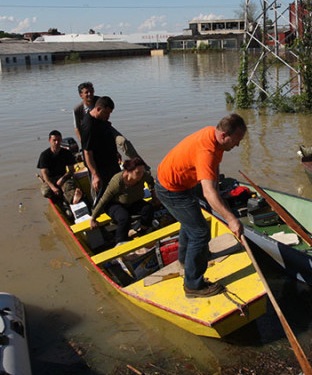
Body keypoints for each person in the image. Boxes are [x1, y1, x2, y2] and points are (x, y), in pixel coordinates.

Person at [154, 113, 247, 298]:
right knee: (200, 231)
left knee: (191, 223)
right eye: (236, 140)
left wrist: (216, 184)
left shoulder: (211, 134)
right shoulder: (207, 151)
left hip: (180, 182)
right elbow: (208, 193)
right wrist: (232, 220)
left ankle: (185, 261)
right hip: (171, 188)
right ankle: (193, 285)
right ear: (223, 136)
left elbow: (214, 166)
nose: (237, 145)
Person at [89, 157, 154, 247]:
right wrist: (93, 218)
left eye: (142, 172)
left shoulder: (143, 176)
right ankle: (120, 242)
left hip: (132, 202)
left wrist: (154, 196)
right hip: (114, 204)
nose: (141, 175)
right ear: (128, 171)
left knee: (148, 208)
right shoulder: (118, 181)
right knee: (124, 218)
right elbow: (104, 199)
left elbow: (151, 182)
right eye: (138, 173)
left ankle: (143, 230)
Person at [74, 81, 143, 163]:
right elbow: (77, 128)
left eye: (91, 91)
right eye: (87, 92)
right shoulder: (77, 110)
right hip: (91, 132)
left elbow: (107, 116)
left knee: (122, 141)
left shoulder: (100, 101)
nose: (90, 94)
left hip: (105, 127)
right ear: (81, 95)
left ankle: (141, 164)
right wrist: (84, 143)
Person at [81, 96, 122, 201]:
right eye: (106, 113)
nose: (108, 117)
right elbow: (87, 153)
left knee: (118, 186)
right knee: (102, 193)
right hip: (99, 166)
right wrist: (95, 175)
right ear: (98, 109)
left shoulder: (101, 118)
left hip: (111, 161)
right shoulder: (88, 125)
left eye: (109, 114)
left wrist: (115, 152)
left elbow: (106, 137)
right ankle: (97, 212)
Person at [37, 130, 83, 205]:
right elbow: (44, 174)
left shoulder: (66, 153)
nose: (57, 142)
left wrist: (62, 179)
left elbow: (71, 170)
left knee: (69, 188)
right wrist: (53, 187)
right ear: (49, 141)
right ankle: (59, 201)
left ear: (61, 140)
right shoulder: (44, 155)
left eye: (58, 140)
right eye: (54, 140)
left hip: (63, 177)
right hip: (50, 179)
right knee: (45, 192)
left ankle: (73, 199)